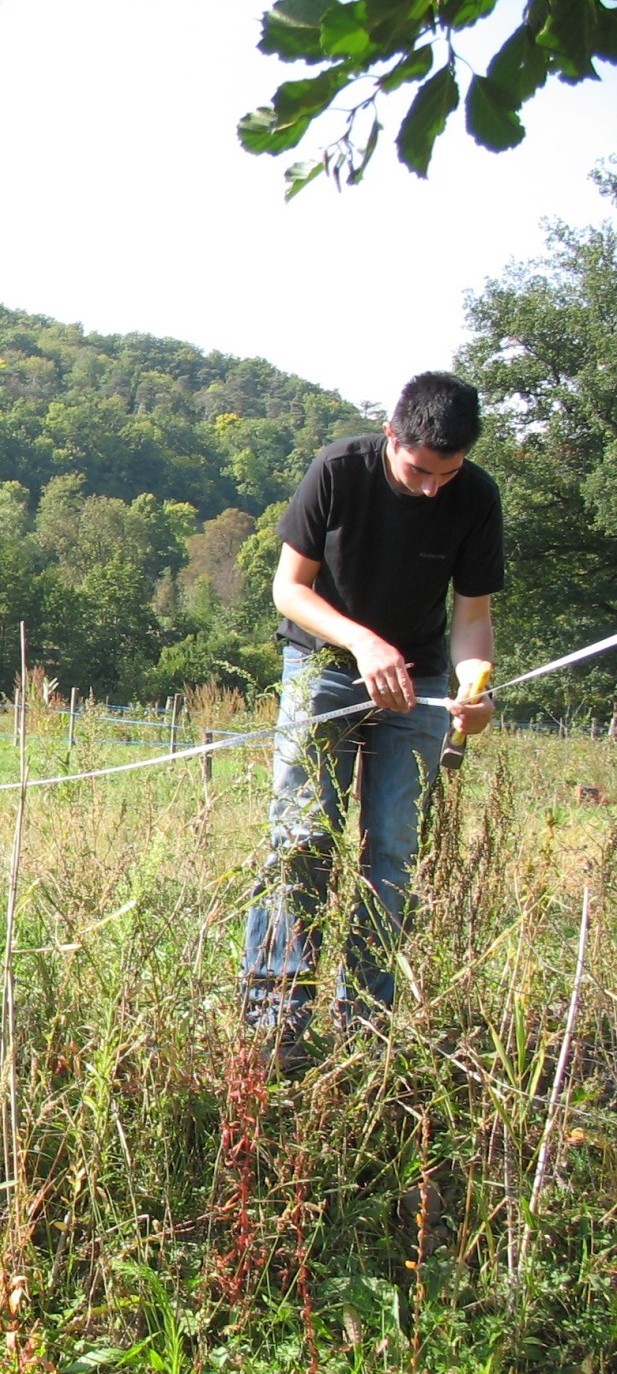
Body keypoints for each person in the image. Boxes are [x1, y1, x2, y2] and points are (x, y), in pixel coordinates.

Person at [241, 371, 503, 1071]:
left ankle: (365, 1034)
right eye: (420, 470)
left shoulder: (475, 497)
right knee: (300, 843)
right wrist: (360, 641)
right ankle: (274, 1031)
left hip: (419, 682)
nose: (431, 489)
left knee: (389, 854)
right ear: (393, 435)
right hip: (324, 668)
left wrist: (474, 692)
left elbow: (472, 619)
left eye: (447, 474)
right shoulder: (339, 470)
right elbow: (288, 590)